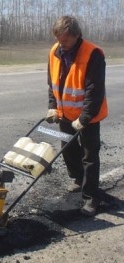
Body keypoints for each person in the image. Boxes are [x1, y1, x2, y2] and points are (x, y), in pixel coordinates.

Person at [45, 15, 108, 216]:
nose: (61, 44)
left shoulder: (93, 54)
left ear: (76, 35)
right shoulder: (55, 51)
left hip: (87, 115)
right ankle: (78, 178)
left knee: (90, 155)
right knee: (68, 148)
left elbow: (94, 90)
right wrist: (52, 106)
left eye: (65, 40)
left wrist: (85, 118)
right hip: (64, 113)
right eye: (58, 39)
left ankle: (91, 198)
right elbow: (52, 84)